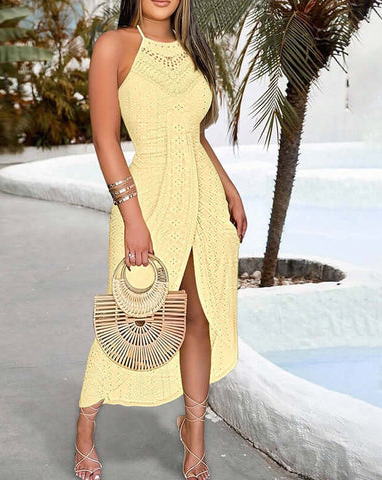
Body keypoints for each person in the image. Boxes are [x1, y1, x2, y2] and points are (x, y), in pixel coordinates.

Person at [75, 1, 248, 478]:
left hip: (203, 198)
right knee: (130, 317)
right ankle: (85, 427)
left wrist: (229, 189)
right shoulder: (114, 46)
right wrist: (132, 216)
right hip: (146, 198)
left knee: (198, 315)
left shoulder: (193, 50)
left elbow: (194, 136)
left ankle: (194, 436)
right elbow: (105, 138)